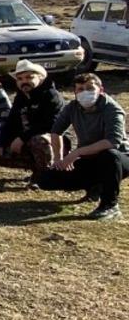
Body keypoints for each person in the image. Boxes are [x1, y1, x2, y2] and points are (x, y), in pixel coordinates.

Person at [34, 73, 129, 220]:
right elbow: (56, 132)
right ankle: (95, 186)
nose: (85, 92)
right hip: (89, 157)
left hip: (119, 159)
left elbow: (112, 142)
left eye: (90, 88)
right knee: (46, 179)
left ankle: (110, 205)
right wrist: (59, 159)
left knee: (109, 156)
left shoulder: (112, 109)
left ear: (101, 90)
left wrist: (75, 153)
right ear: (75, 92)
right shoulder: (72, 107)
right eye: (80, 89)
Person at [0, 59, 65, 174]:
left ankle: (47, 174)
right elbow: (11, 122)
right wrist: (0, 143)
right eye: (20, 79)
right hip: (28, 138)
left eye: (29, 77)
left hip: (54, 141)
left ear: (40, 77)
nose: (24, 81)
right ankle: (36, 169)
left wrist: (22, 138)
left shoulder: (51, 96)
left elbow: (51, 124)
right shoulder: (20, 97)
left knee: (39, 140)